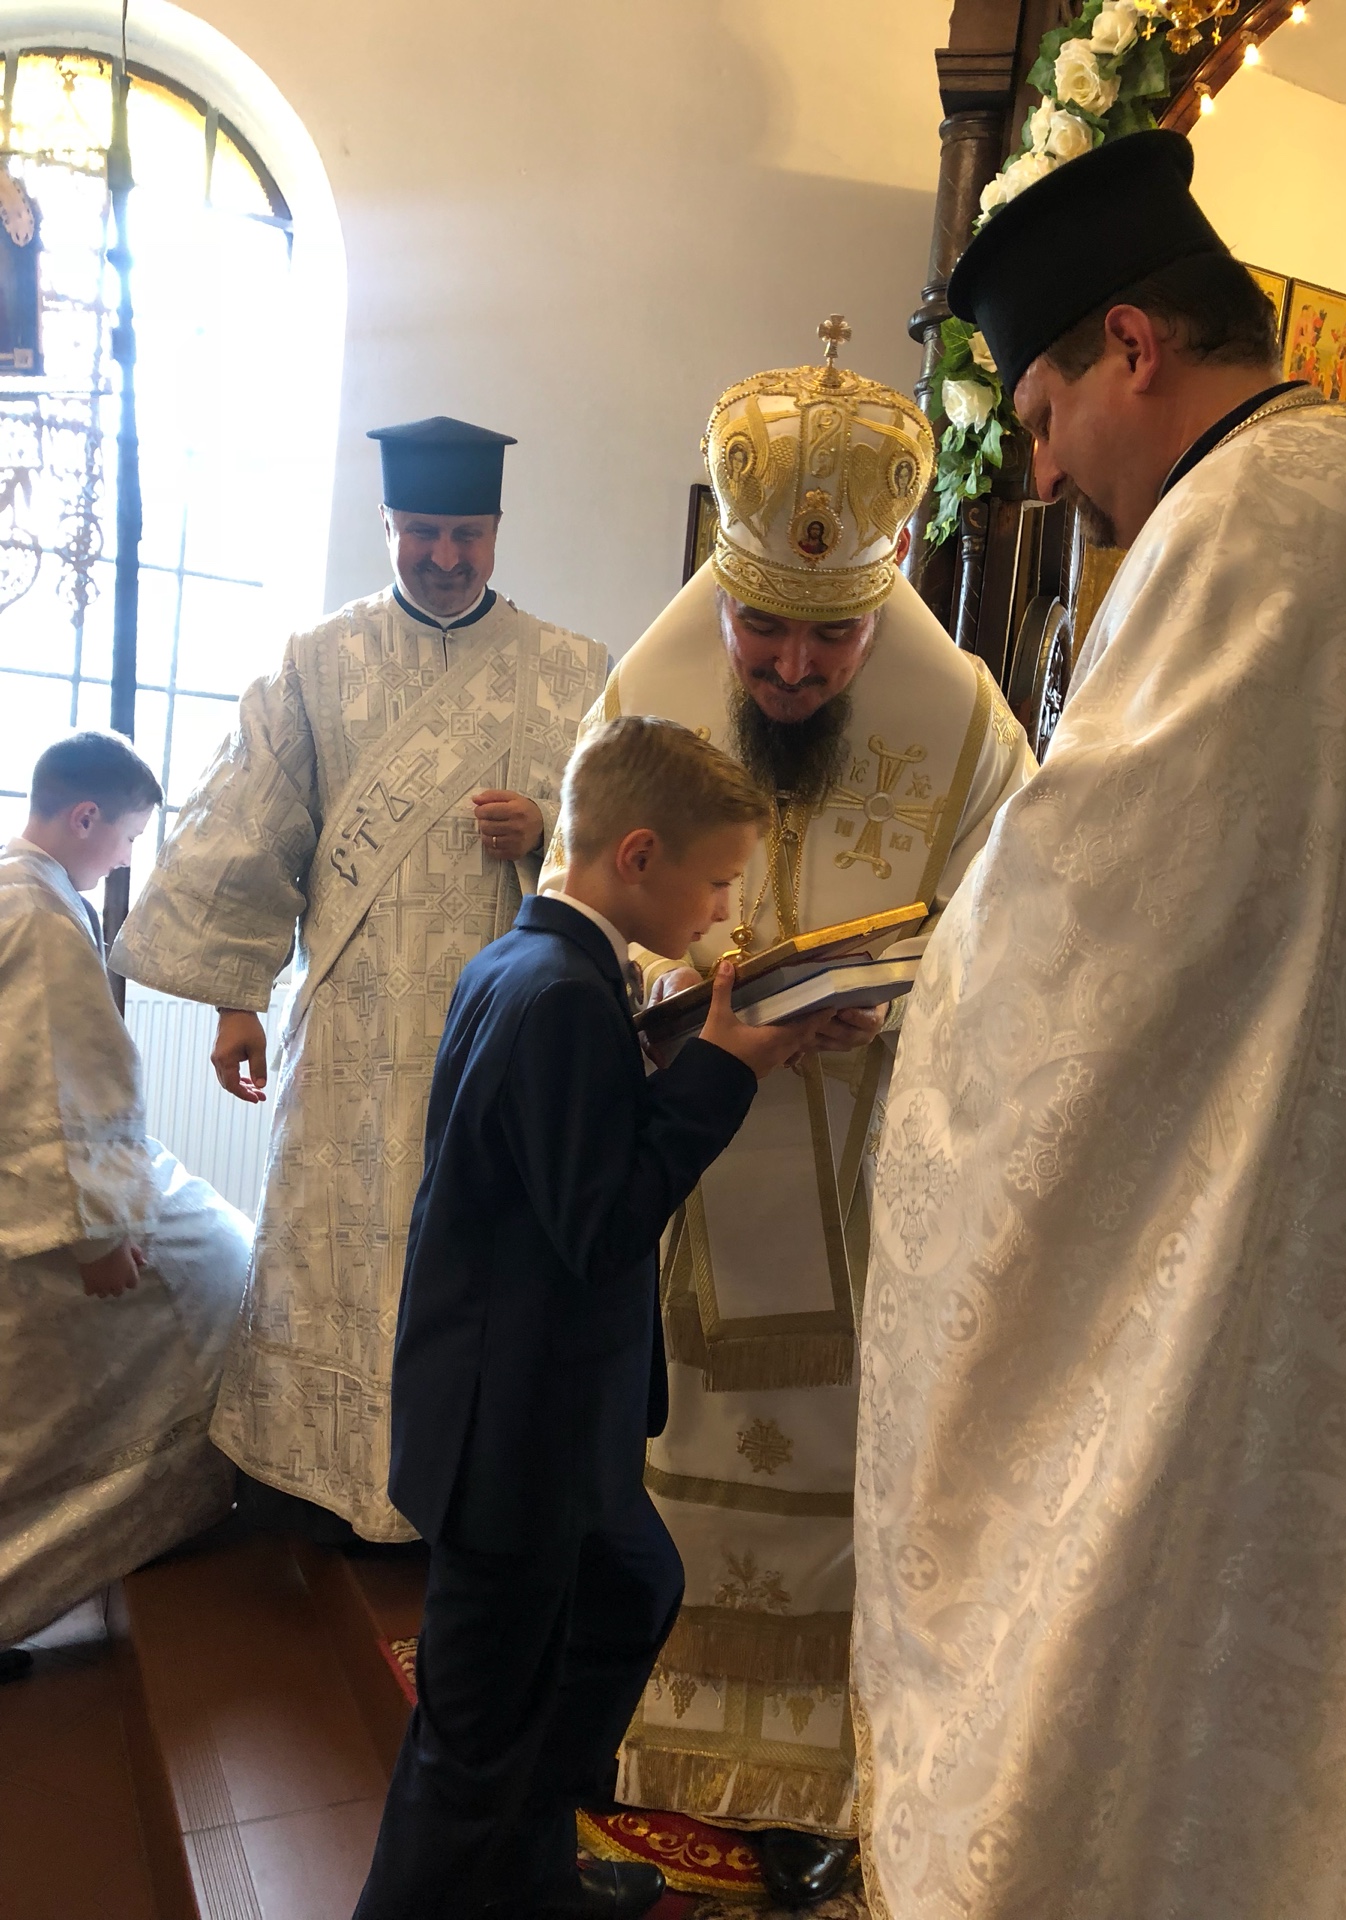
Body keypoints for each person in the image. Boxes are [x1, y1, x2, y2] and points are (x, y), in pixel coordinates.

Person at [853, 129, 1346, 1920]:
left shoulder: (1251, 525)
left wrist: (925, 997)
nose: (1043, 472)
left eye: (1040, 418)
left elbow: (1088, 936)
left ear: (1131, 345)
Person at [542, 330, 1033, 1905]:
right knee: (664, 1466)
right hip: (683, 1183)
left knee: (841, 1480)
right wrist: (682, 985)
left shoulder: (967, 727)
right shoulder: (645, 695)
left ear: (887, 597)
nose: (793, 670)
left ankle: (818, 1775)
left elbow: (1038, 946)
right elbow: (569, 910)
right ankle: (646, 1729)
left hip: (869, 1189)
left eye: (832, 639)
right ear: (723, 581)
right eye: (763, 628)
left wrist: (909, 1008)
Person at [353, 717, 832, 1920]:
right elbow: (605, 1221)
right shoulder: (563, 997)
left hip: (543, 1409)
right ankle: (470, 1875)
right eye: (717, 882)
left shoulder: (527, 961)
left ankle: (530, 1867)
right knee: (468, 1745)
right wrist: (727, 1069)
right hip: (514, 1435)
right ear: (638, 856)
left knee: (630, 1588)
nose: (723, 912)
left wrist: (687, 1040)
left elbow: (563, 1144)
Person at [110, 416, 608, 1542]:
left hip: (499, 1038)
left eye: (466, 533)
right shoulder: (318, 663)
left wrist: (545, 829)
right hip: (350, 1032)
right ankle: (323, 1485)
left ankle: (461, 1496)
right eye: (422, 531)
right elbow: (249, 829)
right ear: (386, 524)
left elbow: (626, 843)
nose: (445, 556)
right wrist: (237, 1001)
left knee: (475, 1256)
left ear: (496, 530)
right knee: (334, 1249)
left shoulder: (574, 671)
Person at [0, 732, 250, 1666]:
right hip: (41, 1212)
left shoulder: (18, 888)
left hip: (33, 1191)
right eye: (130, 837)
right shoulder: (35, 911)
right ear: (85, 818)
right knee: (229, 1287)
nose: (126, 858)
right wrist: (101, 1232)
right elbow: (55, 1087)